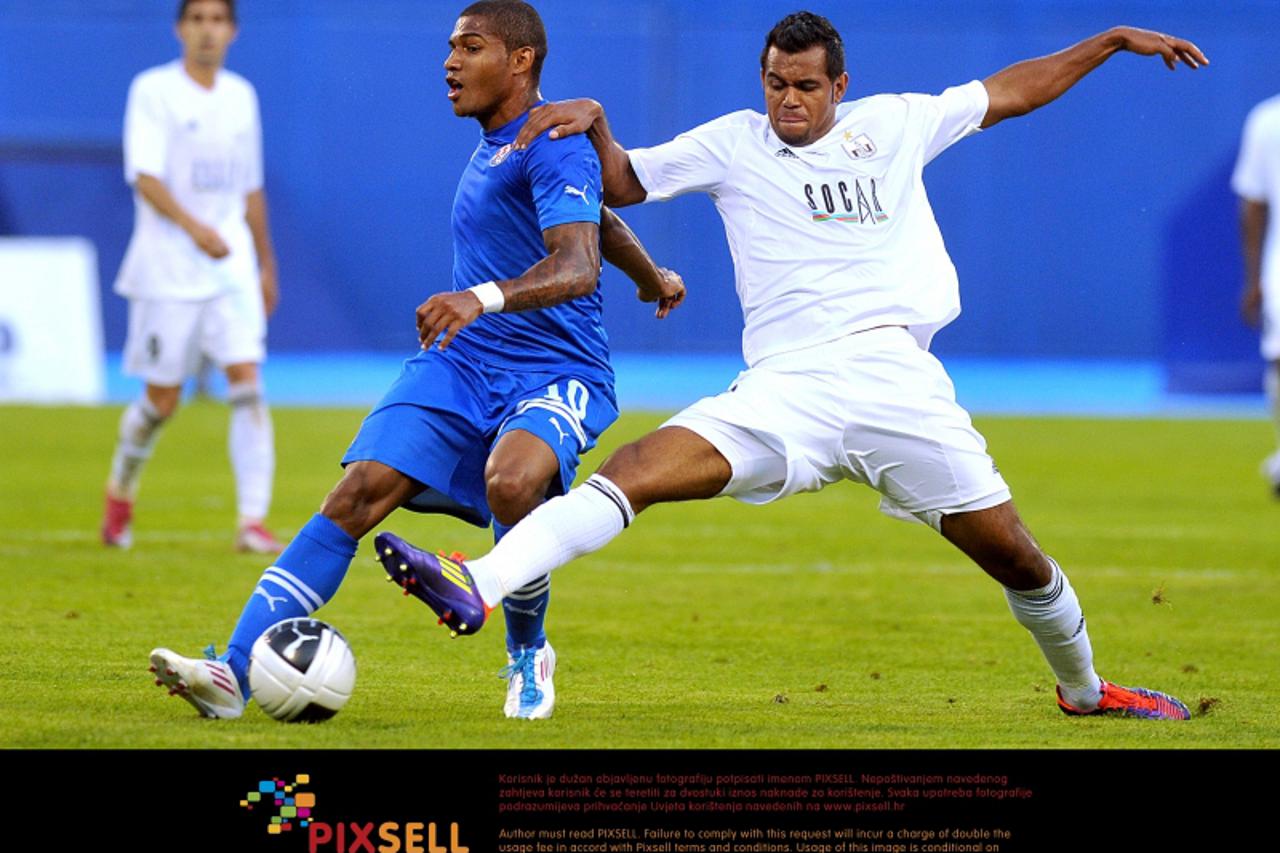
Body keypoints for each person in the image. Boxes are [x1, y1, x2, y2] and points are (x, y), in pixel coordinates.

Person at [378, 13, 1208, 721]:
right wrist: (596, 122)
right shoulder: (734, 143)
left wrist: (1109, 41)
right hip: (784, 391)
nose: (789, 100)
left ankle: (1085, 690)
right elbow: (624, 183)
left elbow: (1011, 91)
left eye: (807, 86)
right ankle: (478, 580)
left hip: (896, 383)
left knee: (1017, 557)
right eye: (776, 83)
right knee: (636, 469)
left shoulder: (897, 123)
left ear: (839, 85)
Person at [148, 0, 685, 720]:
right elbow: (598, 218)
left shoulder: (554, 140)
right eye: (451, 47)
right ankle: (232, 674)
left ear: (520, 60)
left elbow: (577, 264)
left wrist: (478, 298)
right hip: (464, 364)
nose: (450, 62)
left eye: (470, 47)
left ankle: (528, 652)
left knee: (514, 483)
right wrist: (652, 277)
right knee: (356, 493)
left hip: (557, 368)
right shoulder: (504, 139)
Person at [103, 0, 284, 554]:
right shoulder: (153, 90)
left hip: (230, 267)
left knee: (248, 384)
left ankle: (252, 521)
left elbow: (250, 186)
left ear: (233, 31)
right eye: (197, 19)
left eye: (217, 20)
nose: (207, 30)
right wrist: (195, 228)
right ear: (180, 28)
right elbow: (145, 177)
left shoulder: (241, 95)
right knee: (161, 402)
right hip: (168, 267)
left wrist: (265, 262)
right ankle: (121, 490)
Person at [1233, 94, 1280, 497]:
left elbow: (1252, 205)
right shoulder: (1267, 120)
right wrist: (1255, 277)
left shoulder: (1268, 118)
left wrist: (1255, 277)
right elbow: (1254, 203)